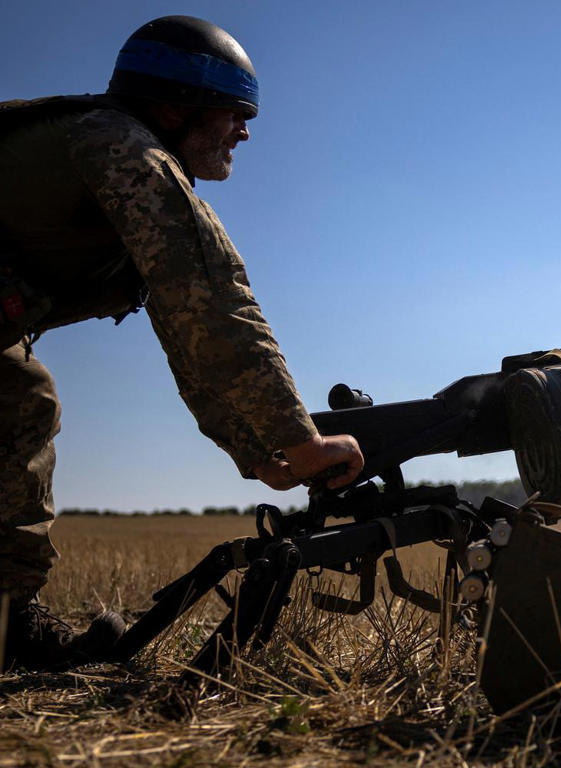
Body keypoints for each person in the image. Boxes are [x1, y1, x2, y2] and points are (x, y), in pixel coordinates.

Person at [0, 15, 364, 671]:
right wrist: (298, 438)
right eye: (232, 113)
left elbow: (183, 321)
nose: (244, 131)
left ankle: (3, 622)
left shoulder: (116, 159)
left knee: (21, 397)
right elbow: (211, 294)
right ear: (177, 108)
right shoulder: (125, 151)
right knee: (23, 398)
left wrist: (254, 448)